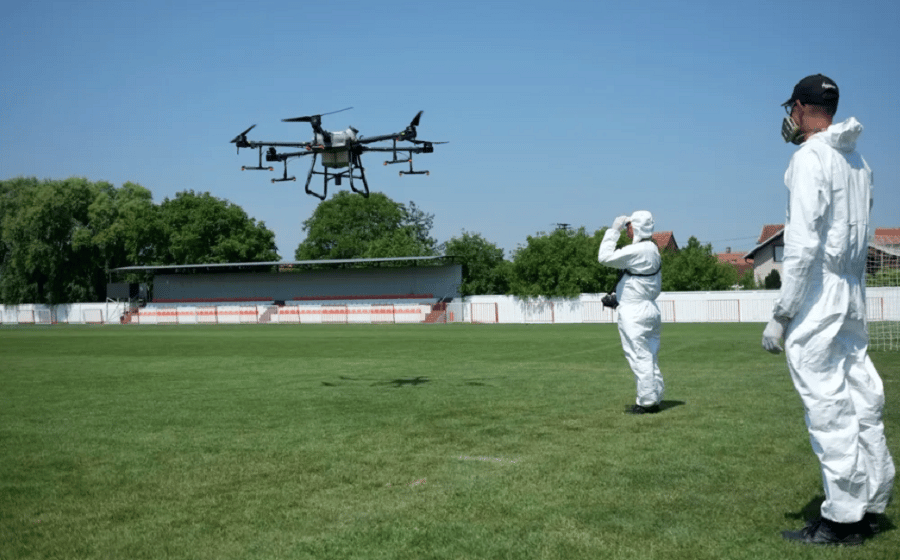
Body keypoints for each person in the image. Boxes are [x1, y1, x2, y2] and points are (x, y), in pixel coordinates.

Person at [763, 74, 895, 546]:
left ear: (800, 107)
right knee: (862, 398)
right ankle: (873, 500)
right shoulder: (857, 160)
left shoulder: (809, 158)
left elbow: (801, 245)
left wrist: (782, 314)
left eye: (792, 109)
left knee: (828, 405)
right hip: (853, 290)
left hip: (820, 294)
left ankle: (842, 518)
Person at [598, 211, 664, 414]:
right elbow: (636, 281)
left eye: (628, 226)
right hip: (650, 309)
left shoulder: (637, 250)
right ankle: (655, 395)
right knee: (650, 357)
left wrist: (613, 231)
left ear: (635, 227)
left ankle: (646, 402)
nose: (627, 229)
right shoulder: (652, 249)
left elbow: (604, 257)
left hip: (634, 311)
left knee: (639, 356)